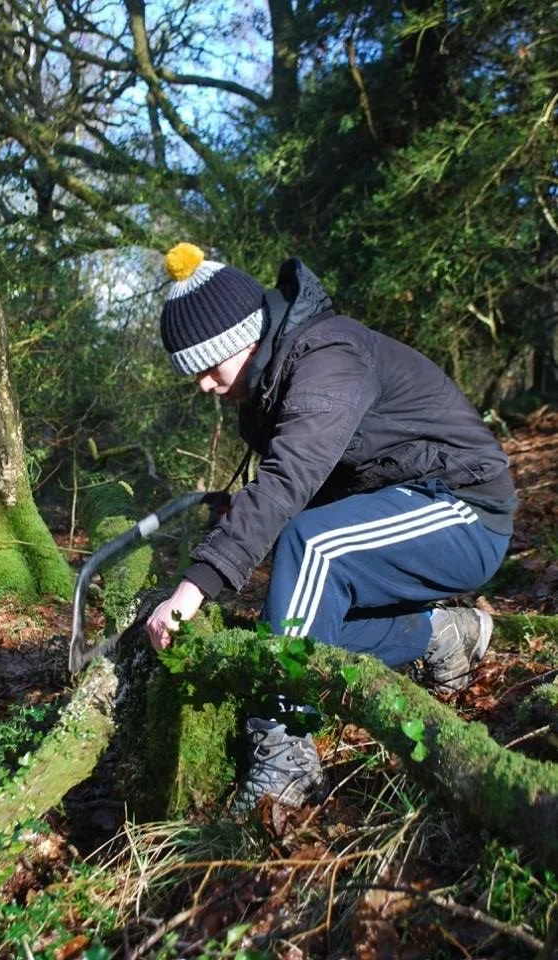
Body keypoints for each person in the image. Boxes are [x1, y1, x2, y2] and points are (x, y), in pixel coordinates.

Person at [145, 242, 517, 812]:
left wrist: (193, 586)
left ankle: (286, 752)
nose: (203, 385)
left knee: (313, 546)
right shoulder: (270, 384)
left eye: (206, 365)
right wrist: (239, 516)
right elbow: (312, 478)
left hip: (464, 510)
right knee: (289, 625)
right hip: (408, 503)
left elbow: (290, 480)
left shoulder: (330, 358)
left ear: (243, 338)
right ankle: (439, 636)